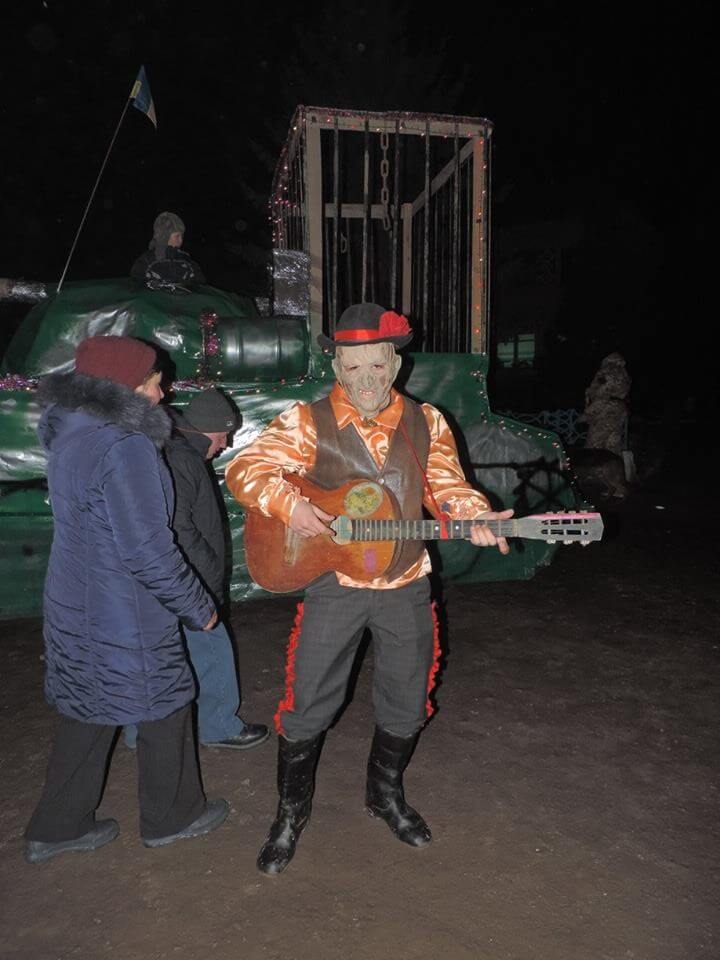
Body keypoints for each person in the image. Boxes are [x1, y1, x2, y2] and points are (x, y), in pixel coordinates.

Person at [225, 303, 513, 876]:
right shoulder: (306, 421)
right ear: (336, 366)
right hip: (337, 582)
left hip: (406, 583)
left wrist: (473, 514)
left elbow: (448, 487)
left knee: (407, 698)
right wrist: (290, 504)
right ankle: (290, 813)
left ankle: (384, 796)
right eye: (353, 367)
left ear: (396, 365)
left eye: (377, 366)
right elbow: (247, 469)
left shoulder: (425, 421)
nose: (365, 379)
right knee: (308, 702)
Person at [25, 336, 228, 864]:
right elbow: (147, 550)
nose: (162, 394)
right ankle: (173, 816)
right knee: (166, 702)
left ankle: (58, 825)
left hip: (74, 599)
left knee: (88, 705)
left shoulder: (70, 430)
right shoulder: (125, 446)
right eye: (154, 383)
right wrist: (198, 606)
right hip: (124, 610)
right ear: (125, 389)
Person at [124, 387, 269, 751]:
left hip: (170, 578)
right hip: (188, 580)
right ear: (208, 428)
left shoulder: (179, 451)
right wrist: (206, 573)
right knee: (211, 645)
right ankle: (218, 726)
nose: (224, 444)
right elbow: (179, 528)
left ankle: (138, 732)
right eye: (223, 435)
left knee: (158, 654)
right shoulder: (182, 459)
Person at [130, 211, 205, 289]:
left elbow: (200, 281)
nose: (181, 240)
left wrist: (189, 284)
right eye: (177, 236)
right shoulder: (147, 260)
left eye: (182, 236)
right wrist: (151, 284)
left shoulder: (185, 259)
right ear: (165, 235)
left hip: (182, 297)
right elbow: (136, 280)